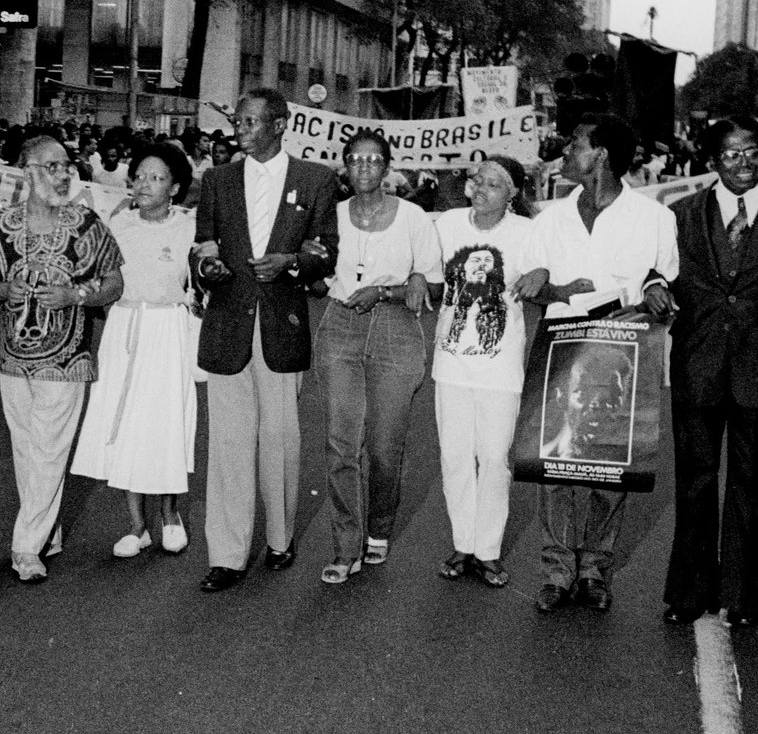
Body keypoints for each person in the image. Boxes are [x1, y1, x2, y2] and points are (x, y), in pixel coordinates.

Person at [515, 113, 678, 613]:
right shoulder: (549, 218)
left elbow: (663, 276)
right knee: (557, 463)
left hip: (622, 353)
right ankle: (558, 570)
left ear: (601, 155)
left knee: (608, 464)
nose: (565, 153)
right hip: (561, 352)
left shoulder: (654, 217)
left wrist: (654, 292)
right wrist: (553, 286)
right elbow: (531, 281)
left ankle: (594, 570)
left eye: (574, 146)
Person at [661, 116, 758, 627]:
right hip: (696, 364)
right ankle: (689, 592)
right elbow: (655, 270)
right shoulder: (679, 213)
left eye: (752, 152)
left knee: (754, 484)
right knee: (694, 481)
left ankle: (746, 598)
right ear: (711, 161)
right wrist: (650, 286)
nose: (744, 163)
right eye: (731, 155)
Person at [190, 88, 340, 592]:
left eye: (252, 122)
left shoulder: (315, 180)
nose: (240, 130)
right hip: (228, 322)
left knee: (279, 437)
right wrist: (207, 265)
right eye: (238, 121)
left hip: (281, 323)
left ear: (280, 124)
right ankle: (228, 555)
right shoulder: (216, 180)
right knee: (229, 442)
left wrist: (290, 263)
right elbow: (203, 243)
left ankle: (280, 537)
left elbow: (325, 252)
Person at [0, 134, 125, 583]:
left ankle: (25, 546)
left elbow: (114, 283)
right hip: (12, 357)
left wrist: (76, 294)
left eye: (66, 167)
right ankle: (48, 530)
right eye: (51, 167)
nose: (62, 175)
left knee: (48, 449)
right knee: (27, 450)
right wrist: (5, 289)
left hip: (66, 361)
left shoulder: (86, 224)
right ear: (26, 172)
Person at [308, 131, 441, 584]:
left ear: (387, 168)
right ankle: (346, 547)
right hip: (341, 325)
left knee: (385, 447)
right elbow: (313, 267)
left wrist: (390, 289)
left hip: (394, 328)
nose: (363, 167)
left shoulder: (415, 218)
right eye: (355, 159)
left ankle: (378, 528)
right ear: (345, 165)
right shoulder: (330, 215)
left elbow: (433, 286)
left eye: (373, 160)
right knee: (342, 443)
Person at [71, 143, 199, 558]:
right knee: (123, 422)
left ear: (175, 188)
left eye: (157, 178)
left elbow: (201, 281)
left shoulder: (189, 227)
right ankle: (137, 526)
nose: (145, 184)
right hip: (124, 327)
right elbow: (97, 276)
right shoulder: (118, 224)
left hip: (167, 330)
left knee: (164, 425)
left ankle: (170, 517)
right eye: (141, 175)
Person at [432, 155, 541, 589]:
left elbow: (547, 274)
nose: (481, 188)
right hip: (451, 363)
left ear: (513, 194)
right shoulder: (446, 225)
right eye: (478, 179)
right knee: (455, 455)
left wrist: (543, 274)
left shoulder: (528, 233)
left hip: (500, 366)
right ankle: (463, 544)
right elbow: (423, 267)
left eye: (494, 183)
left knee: (495, 458)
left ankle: (488, 551)